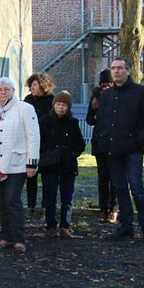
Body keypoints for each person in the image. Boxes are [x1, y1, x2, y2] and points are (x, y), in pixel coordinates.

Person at [95, 57, 144, 245]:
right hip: (112, 151)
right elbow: (102, 121)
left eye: (119, 68)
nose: (115, 71)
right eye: (113, 68)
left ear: (128, 70)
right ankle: (126, 226)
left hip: (133, 150)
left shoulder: (141, 92)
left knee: (137, 188)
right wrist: (103, 143)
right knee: (120, 189)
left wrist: (137, 141)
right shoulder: (106, 96)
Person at [0, 77, 39, 254]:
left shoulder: (25, 108)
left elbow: (33, 136)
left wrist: (32, 163)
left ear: (13, 90)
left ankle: (19, 239)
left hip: (18, 163)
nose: (3, 92)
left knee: (12, 200)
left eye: (6, 89)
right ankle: (5, 236)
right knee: (1, 201)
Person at [38, 91, 85, 238]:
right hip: (49, 165)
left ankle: (65, 225)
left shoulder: (73, 123)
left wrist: (72, 154)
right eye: (58, 104)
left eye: (64, 105)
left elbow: (80, 144)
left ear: (68, 107)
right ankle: (50, 225)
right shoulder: (44, 121)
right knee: (49, 197)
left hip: (67, 165)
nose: (61, 107)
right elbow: (39, 141)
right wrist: (45, 155)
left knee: (67, 198)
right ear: (54, 105)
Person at [86, 69, 118, 223]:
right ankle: (103, 209)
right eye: (103, 85)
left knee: (115, 177)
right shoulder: (95, 98)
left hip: (115, 142)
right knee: (103, 177)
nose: (106, 87)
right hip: (100, 142)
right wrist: (99, 116)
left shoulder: (117, 96)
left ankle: (114, 208)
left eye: (108, 84)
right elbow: (89, 119)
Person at [23, 72, 55, 213]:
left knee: (47, 176)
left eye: (35, 84)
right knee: (31, 175)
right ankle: (31, 205)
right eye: (31, 85)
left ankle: (46, 205)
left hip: (46, 142)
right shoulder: (28, 99)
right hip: (29, 141)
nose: (32, 87)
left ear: (43, 85)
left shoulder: (52, 100)